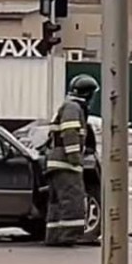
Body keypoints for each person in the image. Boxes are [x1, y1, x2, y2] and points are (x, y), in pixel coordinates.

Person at [44, 74, 99, 247]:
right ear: (88, 93)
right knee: (72, 201)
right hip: (66, 164)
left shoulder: (68, 106)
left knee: (57, 203)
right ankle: (68, 236)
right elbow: (70, 133)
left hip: (56, 163)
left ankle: (54, 236)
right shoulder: (73, 108)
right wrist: (76, 159)